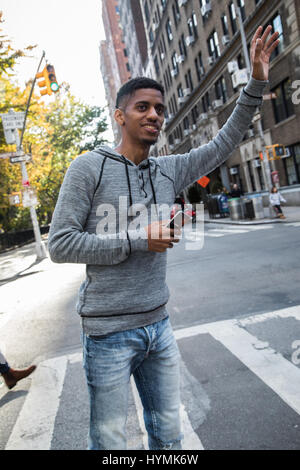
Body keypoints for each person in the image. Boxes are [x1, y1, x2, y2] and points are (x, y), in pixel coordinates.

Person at [48, 26, 280, 450]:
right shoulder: (88, 168)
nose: (154, 114)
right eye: (142, 107)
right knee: (110, 443)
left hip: (159, 326)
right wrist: (140, 238)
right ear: (120, 116)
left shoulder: (168, 169)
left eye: (159, 108)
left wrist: (258, 82)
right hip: (107, 334)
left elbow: (225, 140)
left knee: (169, 440)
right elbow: (60, 244)